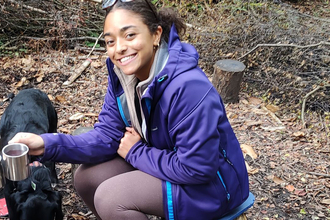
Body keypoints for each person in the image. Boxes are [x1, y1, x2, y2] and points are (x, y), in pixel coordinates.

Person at [9, 0, 250, 219]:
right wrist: (46, 144)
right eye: (110, 41)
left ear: (156, 35)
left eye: (130, 35)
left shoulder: (188, 88)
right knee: (86, 179)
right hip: (164, 158)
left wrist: (136, 152)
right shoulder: (125, 78)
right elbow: (106, 137)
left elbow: (196, 169)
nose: (119, 48)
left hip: (212, 189)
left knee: (111, 198)